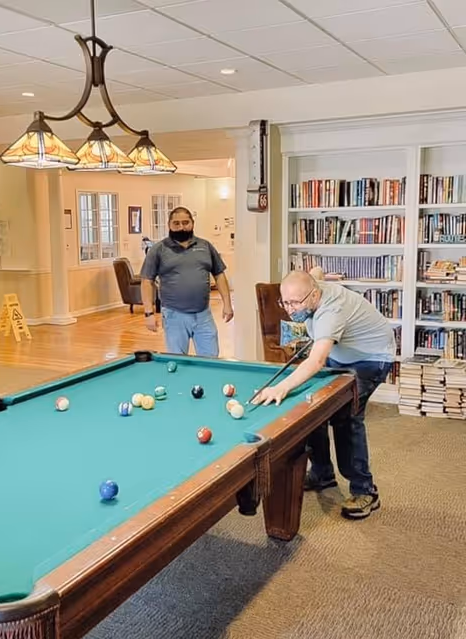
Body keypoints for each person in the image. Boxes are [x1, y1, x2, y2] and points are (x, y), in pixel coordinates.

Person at [252, 270, 396, 520]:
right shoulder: (312, 286)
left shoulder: (331, 311)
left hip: (371, 357)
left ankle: (365, 491)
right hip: (341, 354)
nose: (290, 310)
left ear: (314, 294)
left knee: (346, 415)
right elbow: (315, 272)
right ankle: (322, 473)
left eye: (296, 303)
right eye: (285, 302)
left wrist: (280, 387)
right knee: (313, 406)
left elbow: (316, 361)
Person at [140, 207, 233, 357]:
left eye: (185, 223)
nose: (181, 227)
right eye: (176, 223)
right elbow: (146, 281)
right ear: (169, 225)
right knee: (178, 360)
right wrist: (148, 313)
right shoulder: (158, 250)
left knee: (211, 359)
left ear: (192, 223)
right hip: (174, 316)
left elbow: (219, 275)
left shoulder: (205, 246)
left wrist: (227, 305)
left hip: (203, 315)